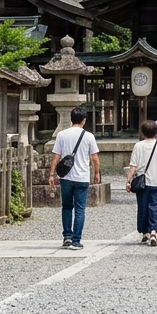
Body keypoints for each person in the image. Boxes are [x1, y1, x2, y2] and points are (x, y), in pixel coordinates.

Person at [48, 106, 101, 249]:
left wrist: (52, 174)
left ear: (71, 119)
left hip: (66, 177)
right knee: (80, 209)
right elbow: (94, 157)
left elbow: (56, 156)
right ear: (84, 120)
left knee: (66, 207)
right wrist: (96, 173)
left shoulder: (62, 135)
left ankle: (67, 237)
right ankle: (76, 240)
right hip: (82, 177)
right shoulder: (89, 136)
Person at [127, 119, 157, 246]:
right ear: (156, 132)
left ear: (142, 132)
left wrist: (128, 181)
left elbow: (133, 166)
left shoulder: (138, 146)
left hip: (142, 182)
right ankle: (153, 232)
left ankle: (144, 233)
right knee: (156, 207)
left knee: (143, 207)